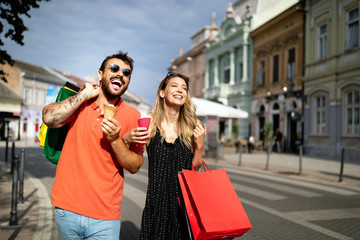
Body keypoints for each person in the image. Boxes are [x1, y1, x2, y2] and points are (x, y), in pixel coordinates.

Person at [42, 51, 146, 240]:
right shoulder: (81, 103)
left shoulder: (133, 116)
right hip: (67, 210)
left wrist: (116, 140)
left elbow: (134, 166)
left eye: (126, 72)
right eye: (114, 68)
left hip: (105, 218)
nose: (120, 74)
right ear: (100, 75)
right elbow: (49, 118)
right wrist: (82, 96)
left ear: (128, 81)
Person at [139, 72, 207, 240]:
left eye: (184, 88)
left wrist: (199, 146)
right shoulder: (149, 124)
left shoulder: (193, 125)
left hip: (183, 208)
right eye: (174, 86)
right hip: (156, 207)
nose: (180, 90)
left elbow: (195, 168)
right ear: (162, 92)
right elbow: (134, 160)